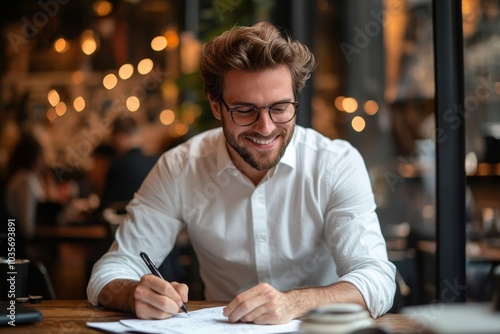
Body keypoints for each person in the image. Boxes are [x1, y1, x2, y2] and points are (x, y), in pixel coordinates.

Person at [87, 22, 396, 325]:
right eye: (245, 110)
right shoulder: (180, 167)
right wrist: (133, 293)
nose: (266, 127)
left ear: (296, 100)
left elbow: (377, 279)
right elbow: (111, 270)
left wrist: (294, 303)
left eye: (280, 107)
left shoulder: (334, 164)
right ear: (216, 105)